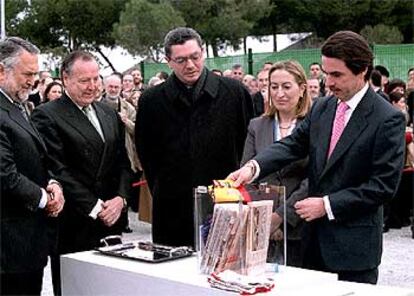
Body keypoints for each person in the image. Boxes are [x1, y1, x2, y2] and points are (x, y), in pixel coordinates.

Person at [228, 31, 406, 284]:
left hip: (352, 252)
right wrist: (253, 167)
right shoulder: (322, 107)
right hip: (311, 247)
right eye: (325, 73)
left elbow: (382, 186)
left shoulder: (387, 118)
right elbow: (292, 145)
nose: (328, 82)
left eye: (337, 75)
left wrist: (327, 205)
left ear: (363, 70)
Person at [136, 27, 253, 248]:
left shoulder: (235, 93)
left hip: (226, 203)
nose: (189, 65)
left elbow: (247, 145)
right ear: (168, 61)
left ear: (203, 53)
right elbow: (148, 154)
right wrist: (164, 190)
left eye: (194, 57)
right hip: (172, 208)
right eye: (180, 60)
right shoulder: (151, 101)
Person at [31, 51, 133, 294]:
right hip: (74, 225)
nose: (93, 86)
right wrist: (97, 208)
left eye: (96, 79)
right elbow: (57, 169)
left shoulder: (108, 112)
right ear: (65, 79)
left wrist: (120, 199)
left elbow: (123, 163)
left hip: (111, 222)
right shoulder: (47, 115)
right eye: (84, 81)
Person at [0, 37, 65, 295]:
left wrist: (52, 183)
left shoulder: (17, 106)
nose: (33, 81)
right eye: (27, 74)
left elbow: (34, 158)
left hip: (26, 243)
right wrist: (44, 199)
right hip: (8, 247)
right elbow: (4, 173)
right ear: (2, 70)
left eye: (36, 74)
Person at [241, 60, 311, 267]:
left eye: (286, 87)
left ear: (302, 89)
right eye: (274, 87)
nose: (280, 93)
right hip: (262, 227)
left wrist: (281, 217)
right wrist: (265, 219)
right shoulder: (257, 125)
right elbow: (249, 170)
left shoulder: (313, 125)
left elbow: (313, 177)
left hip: (301, 224)